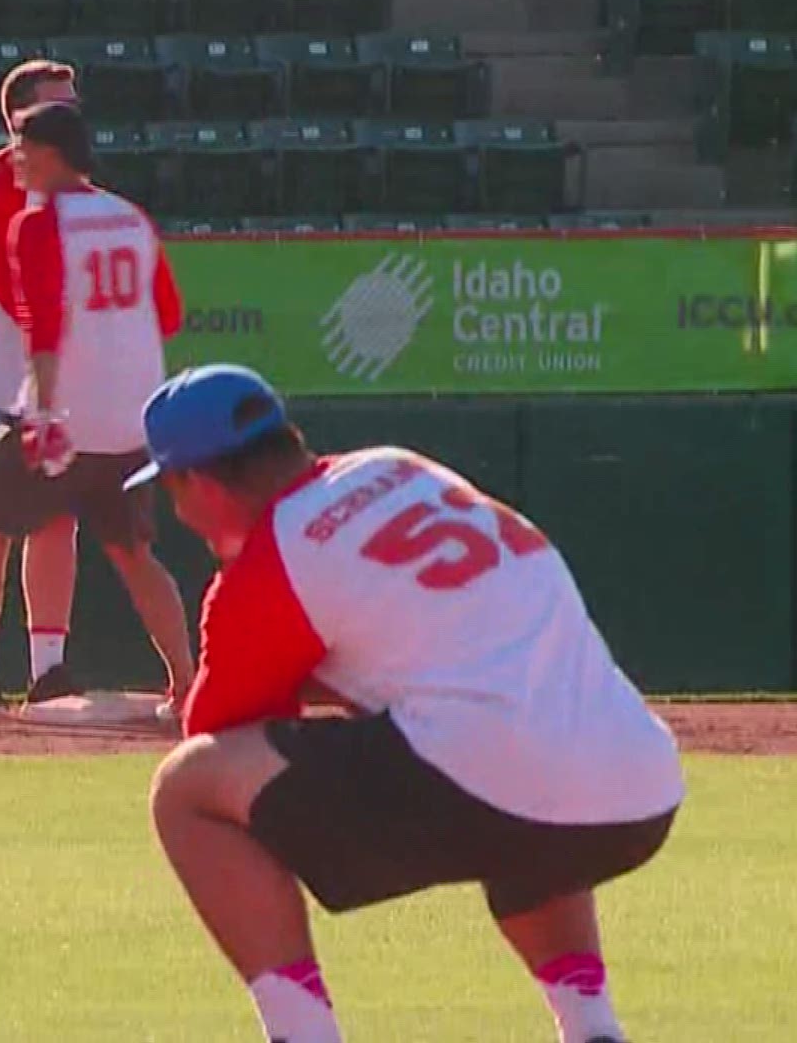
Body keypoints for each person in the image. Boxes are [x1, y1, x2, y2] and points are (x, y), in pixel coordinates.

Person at [139, 365, 684, 1043]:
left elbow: (220, 742)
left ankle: (302, 1036)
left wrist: (304, 681)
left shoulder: (271, 561)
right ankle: (592, 1028)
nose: (177, 511)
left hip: (499, 779)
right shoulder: (397, 467)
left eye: (170, 489)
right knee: (521, 788)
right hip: (642, 784)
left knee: (186, 790)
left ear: (202, 484)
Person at [0, 101, 195, 711]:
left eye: (21, 147)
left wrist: (42, 409)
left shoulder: (37, 223)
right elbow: (169, 315)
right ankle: (189, 685)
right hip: (130, 421)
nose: (13, 157)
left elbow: (42, 325)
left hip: (65, 414)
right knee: (134, 555)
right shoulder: (130, 216)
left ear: (50, 154)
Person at [0, 58, 86, 715]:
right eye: (56, 104)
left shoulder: (79, 187)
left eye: (73, 104)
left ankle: (49, 669)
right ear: (18, 119)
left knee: (57, 522)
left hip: (59, 384)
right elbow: (18, 293)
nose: (71, 114)